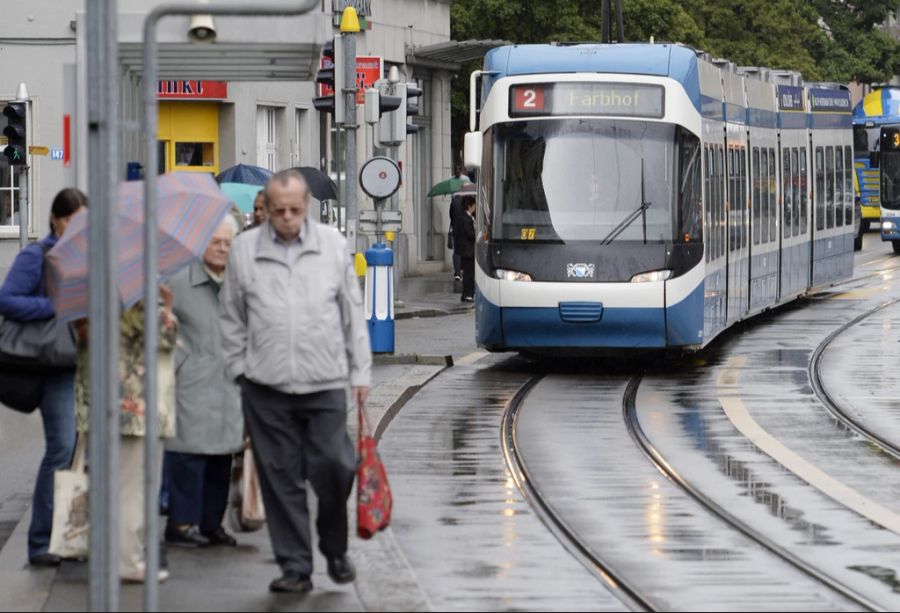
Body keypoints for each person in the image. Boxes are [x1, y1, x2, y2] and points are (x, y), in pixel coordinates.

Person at [219, 168, 371, 594]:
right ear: (266, 208)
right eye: (279, 210)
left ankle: (334, 548)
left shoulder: (332, 246)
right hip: (265, 385)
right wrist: (239, 368)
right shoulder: (245, 250)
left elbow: (351, 314)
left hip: (324, 381)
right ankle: (295, 566)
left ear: (307, 207)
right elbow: (230, 316)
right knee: (280, 477)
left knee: (335, 466)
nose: (287, 218)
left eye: (295, 210)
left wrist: (359, 371)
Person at [0, 188, 87, 567]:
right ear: (55, 219)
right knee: (61, 448)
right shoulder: (38, 256)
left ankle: (71, 537)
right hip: (55, 365)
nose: (76, 230)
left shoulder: (89, 257)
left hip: (87, 363)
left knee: (83, 455)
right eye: (70, 221)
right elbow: (6, 299)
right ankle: (40, 542)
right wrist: (53, 306)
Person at [74, 291, 177, 583]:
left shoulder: (89, 301)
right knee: (135, 488)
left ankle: (114, 558)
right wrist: (167, 306)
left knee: (117, 486)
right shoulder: (136, 300)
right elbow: (165, 339)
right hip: (140, 408)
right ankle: (127, 562)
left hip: (105, 405)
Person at [163, 215, 243, 548]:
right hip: (191, 381)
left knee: (222, 458)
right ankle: (180, 525)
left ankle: (212, 524)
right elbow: (158, 317)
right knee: (188, 456)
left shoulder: (240, 282)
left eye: (228, 243)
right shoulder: (179, 281)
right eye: (215, 242)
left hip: (228, 381)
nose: (222, 249)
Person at [456, 196, 476, 302]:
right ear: (469, 205)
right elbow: (470, 234)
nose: (475, 208)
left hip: (465, 251)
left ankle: (465, 293)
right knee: (469, 273)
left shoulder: (463, 217)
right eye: (474, 205)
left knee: (467, 273)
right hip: (468, 251)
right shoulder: (466, 219)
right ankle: (468, 293)